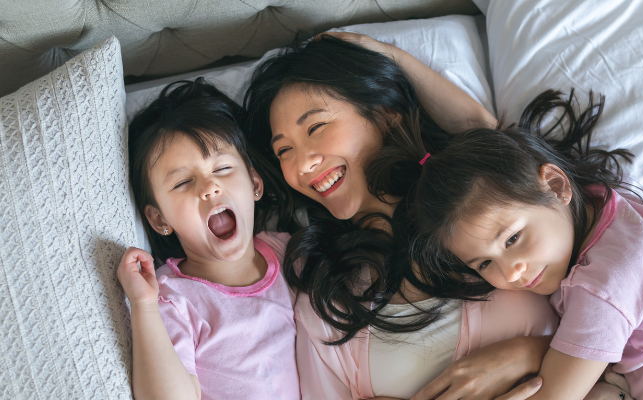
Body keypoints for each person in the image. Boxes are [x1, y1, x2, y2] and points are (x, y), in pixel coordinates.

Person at [405, 89, 643, 400]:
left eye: (513, 239)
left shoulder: (605, 285)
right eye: (484, 264)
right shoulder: (594, 199)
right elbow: (493, 138)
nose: (511, 272)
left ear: (555, 185)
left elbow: (552, 395)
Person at [244, 34, 564, 399]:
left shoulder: (487, 208)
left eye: (316, 128)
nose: (302, 164)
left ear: (384, 115)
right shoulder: (320, 291)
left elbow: (489, 138)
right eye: (284, 150)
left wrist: (528, 355)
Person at [116, 79, 300, 400]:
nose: (209, 187)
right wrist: (143, 306)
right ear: (160, 219)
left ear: (255, 183)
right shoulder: (173, 298)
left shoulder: (288, 251)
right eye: (184, 181)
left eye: (223, 167)